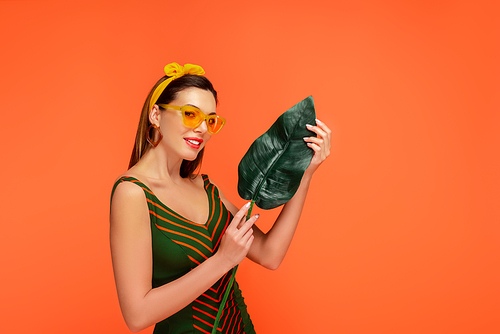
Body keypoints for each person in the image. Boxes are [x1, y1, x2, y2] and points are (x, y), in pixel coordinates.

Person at [110, 63, 331, 333]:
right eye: (191, 114)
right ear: (156, 115)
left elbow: (269, 254)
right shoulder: (132, 193)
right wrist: (223, 260)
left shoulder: (206, 187)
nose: (202, 128)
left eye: (210, 120)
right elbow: (137, 316)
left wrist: (304, 173)